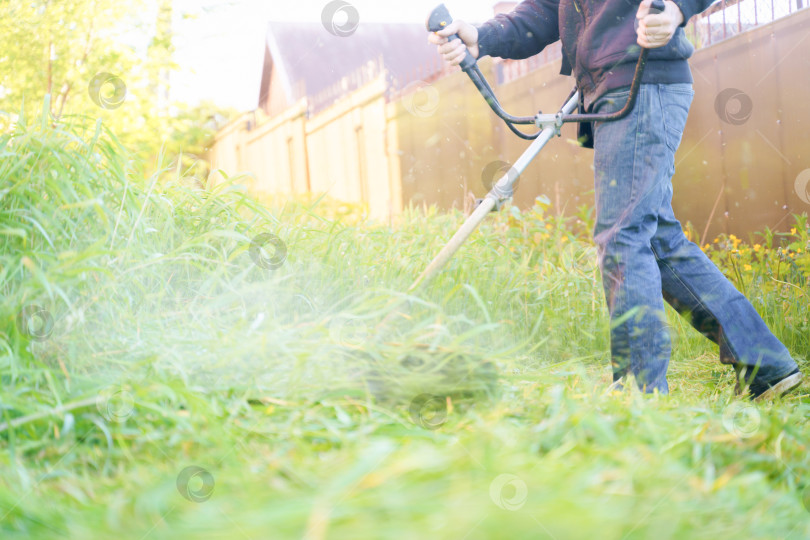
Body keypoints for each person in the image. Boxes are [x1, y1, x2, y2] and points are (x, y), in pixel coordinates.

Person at [428, 0, 802, 400]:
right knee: (656, 239)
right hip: (612, 89)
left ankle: (639, 392)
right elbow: (542, 12)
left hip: (642, 79)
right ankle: (766, 364)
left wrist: (678, 8)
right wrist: (482, 36)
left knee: (622, 234)